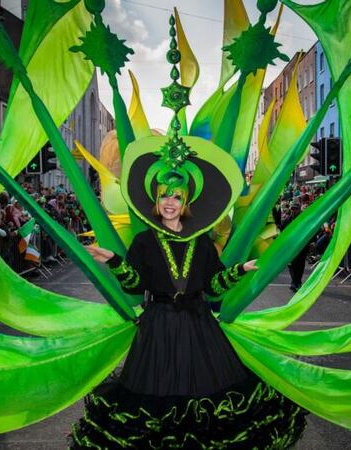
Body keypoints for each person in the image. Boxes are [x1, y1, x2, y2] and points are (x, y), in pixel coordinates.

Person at [75, 180, 306, 448]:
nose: (169, 203)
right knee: (156, 391)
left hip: (199, 325)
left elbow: (213, 286)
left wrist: (239, 271)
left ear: (185, 204)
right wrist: (114, 261)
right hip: (158, 326)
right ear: (156, 202)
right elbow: (135, 286)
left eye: (176, 197)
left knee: (208, 391)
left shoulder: (202, 241)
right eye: (164, 197)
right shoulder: (144, 241)